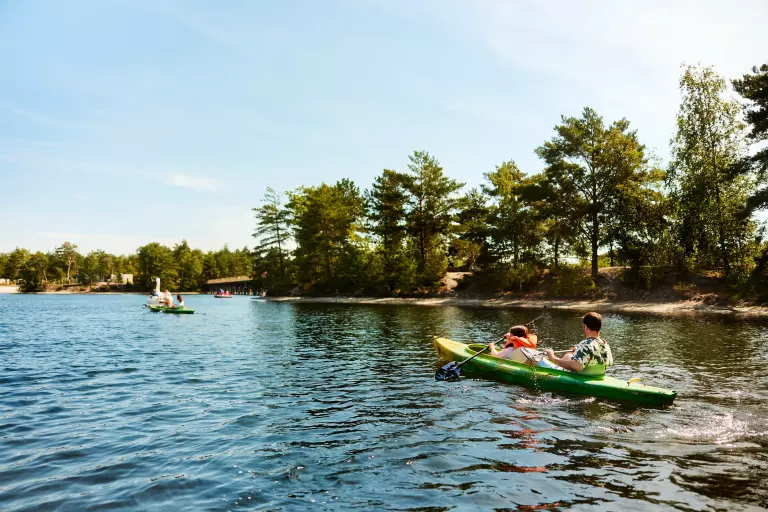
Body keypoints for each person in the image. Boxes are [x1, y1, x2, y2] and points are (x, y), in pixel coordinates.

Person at [543, 312, 613, 375]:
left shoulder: (586, 344)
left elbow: (577, 366)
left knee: (537, 359)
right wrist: (578, 351)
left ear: (586, 327)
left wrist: (553, 358)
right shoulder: (605, 344)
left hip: (582, 376)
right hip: (597, 374)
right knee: (568, 355)